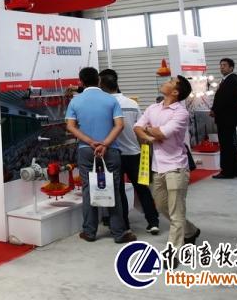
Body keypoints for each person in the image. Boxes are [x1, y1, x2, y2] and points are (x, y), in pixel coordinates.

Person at [65, 67, 135, 244]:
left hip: (86, 150)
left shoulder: (75, 102)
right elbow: (119, 125)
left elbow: (70, 126)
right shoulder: (111, 100)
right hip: (110, 150)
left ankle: (89, 232)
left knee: (88, 190)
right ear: (98, 80)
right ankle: (119, 232)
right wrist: (105, 144)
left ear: (81, 82)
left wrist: (90, 142)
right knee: (114, 189)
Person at [135, 76, 200, 257]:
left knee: (176, 210)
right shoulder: (153, 108)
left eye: (170, 81)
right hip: (157, 167)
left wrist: (149, 129)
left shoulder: (181, 113)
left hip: (176, 167)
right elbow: (137, 127)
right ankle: (190, 231)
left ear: (175, 92)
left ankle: (173, 252)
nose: (165, 81)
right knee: (162, 206)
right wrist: (150, 136)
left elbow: (162, 133)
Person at [99, 70, 160, 235]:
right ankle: (153, 222)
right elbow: (141, 129)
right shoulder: (132, 103)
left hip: (114, 154)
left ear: (102, 85)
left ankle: (125, 225)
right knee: (143, 189)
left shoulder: (104, 105)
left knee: (118, 192)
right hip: (135, 153)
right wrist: (144, 151)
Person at [211, 58, 237, 179]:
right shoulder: (227, 80)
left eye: (224, 65)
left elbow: (225, 99)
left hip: (226, 118)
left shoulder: (231, 80)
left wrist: (215, 110)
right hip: (226, 117)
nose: (221, 67)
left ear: (231, 68)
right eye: (220, 65)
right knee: (229, 145)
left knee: (226, 146)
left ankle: (227, 171)